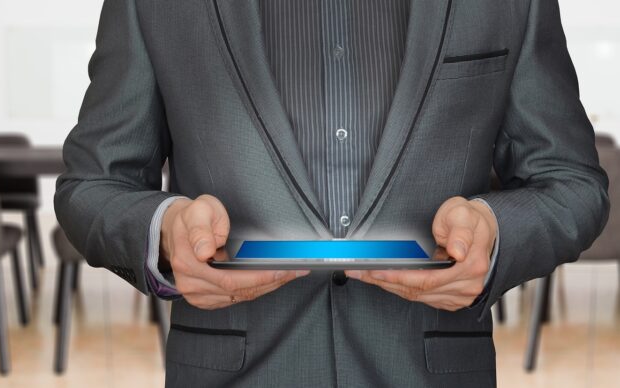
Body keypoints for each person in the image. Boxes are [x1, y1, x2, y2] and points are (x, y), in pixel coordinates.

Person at [54, 0, 609, 386]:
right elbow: (91, 184)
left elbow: (571, 181)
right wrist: (164, 232)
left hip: (431, 373)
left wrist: (495, 231)